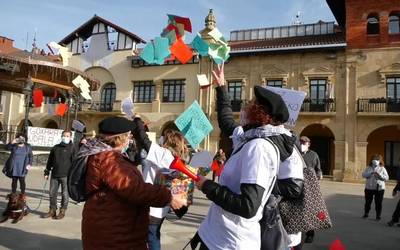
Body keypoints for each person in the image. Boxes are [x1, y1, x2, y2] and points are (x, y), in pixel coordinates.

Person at [189, 63, 296, 249]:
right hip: (217, 234)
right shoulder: (250, 137)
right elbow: (226, 121)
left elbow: (248, 206)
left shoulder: (259, 147)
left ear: (261, 114)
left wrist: (207, 186)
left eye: (251, 105)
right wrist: (222, 87)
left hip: (230, 242)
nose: (246, 108)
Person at [80, 116, 186, 250]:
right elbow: (133, 188)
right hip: (114, 232)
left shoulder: (105, 154)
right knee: (153, 236)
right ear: (120, 138)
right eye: (128, 136)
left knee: (153, 235)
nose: (129, 139)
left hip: (114, 226)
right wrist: (168, 197)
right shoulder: (109, 159)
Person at [42, 130, 75, 220]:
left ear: (70, 137)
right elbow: (50, 161)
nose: (65, 137)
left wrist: (74, 175)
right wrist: (47, 171)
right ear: (61, 136)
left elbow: (75, 163)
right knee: (52, 193)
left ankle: (62, 211)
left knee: (65, 194)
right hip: (54, 175)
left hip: (66, 175)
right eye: (64, 135)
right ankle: (52, 210)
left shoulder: (73, 148)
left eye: (67, 136)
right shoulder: (55, 148)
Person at [299, 136, 322, 244]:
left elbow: (318, 169)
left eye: (305, 142)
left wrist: (317, 178)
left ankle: (310, 234)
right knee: (298, 209)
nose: (302, 144)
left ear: (309, 144)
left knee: (310, 210)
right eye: (301, 142)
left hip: (310, 185)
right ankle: (297, 231)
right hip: (297, 185)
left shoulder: (313, 155)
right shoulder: (295, 153)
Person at [362, 154, 389, 220]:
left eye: (377, 159)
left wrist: (379, 175)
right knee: (368, 202)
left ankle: (378, 215)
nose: (375, 161)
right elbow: (363, 175)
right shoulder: (368, 167)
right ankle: (366, 213)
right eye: (374, 159)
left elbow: (386, 178)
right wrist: (371, 173)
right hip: (369, 188)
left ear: (380, 160)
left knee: (378, 203)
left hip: (379, 188)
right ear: (371, 160)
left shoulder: (382, 168)